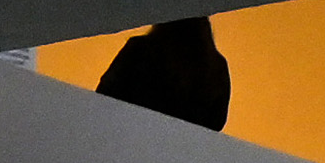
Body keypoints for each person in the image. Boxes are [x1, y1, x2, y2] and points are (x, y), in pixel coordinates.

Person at [93, 19, 231, 132]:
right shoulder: (215, 65)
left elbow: (106, 92)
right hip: (184, 150)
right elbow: (217, 122)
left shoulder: (140, 48)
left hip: (132, 136)